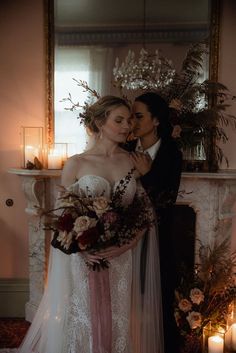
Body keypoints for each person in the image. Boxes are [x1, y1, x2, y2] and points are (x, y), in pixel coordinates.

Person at [18, 95, 164, 353]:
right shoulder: (77, 163)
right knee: (82, 316)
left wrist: (122, 246)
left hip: (121, 256)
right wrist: (83, 248)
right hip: (84, 256)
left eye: (129, 120)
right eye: (118, 120)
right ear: (99, 122)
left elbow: (144, 215)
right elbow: (63, 219)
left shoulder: (133, 161)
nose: (126, 126)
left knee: (118, 316)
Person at [126, 92, 182, 353]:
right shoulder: (124, 150)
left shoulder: (172, 153)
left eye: (139, 116)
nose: (132, 123)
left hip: (159, 237)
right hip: (125, 237)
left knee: (160, 300)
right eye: (130, 117)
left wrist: (148, 174)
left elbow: (167, 200)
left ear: (156, 120)